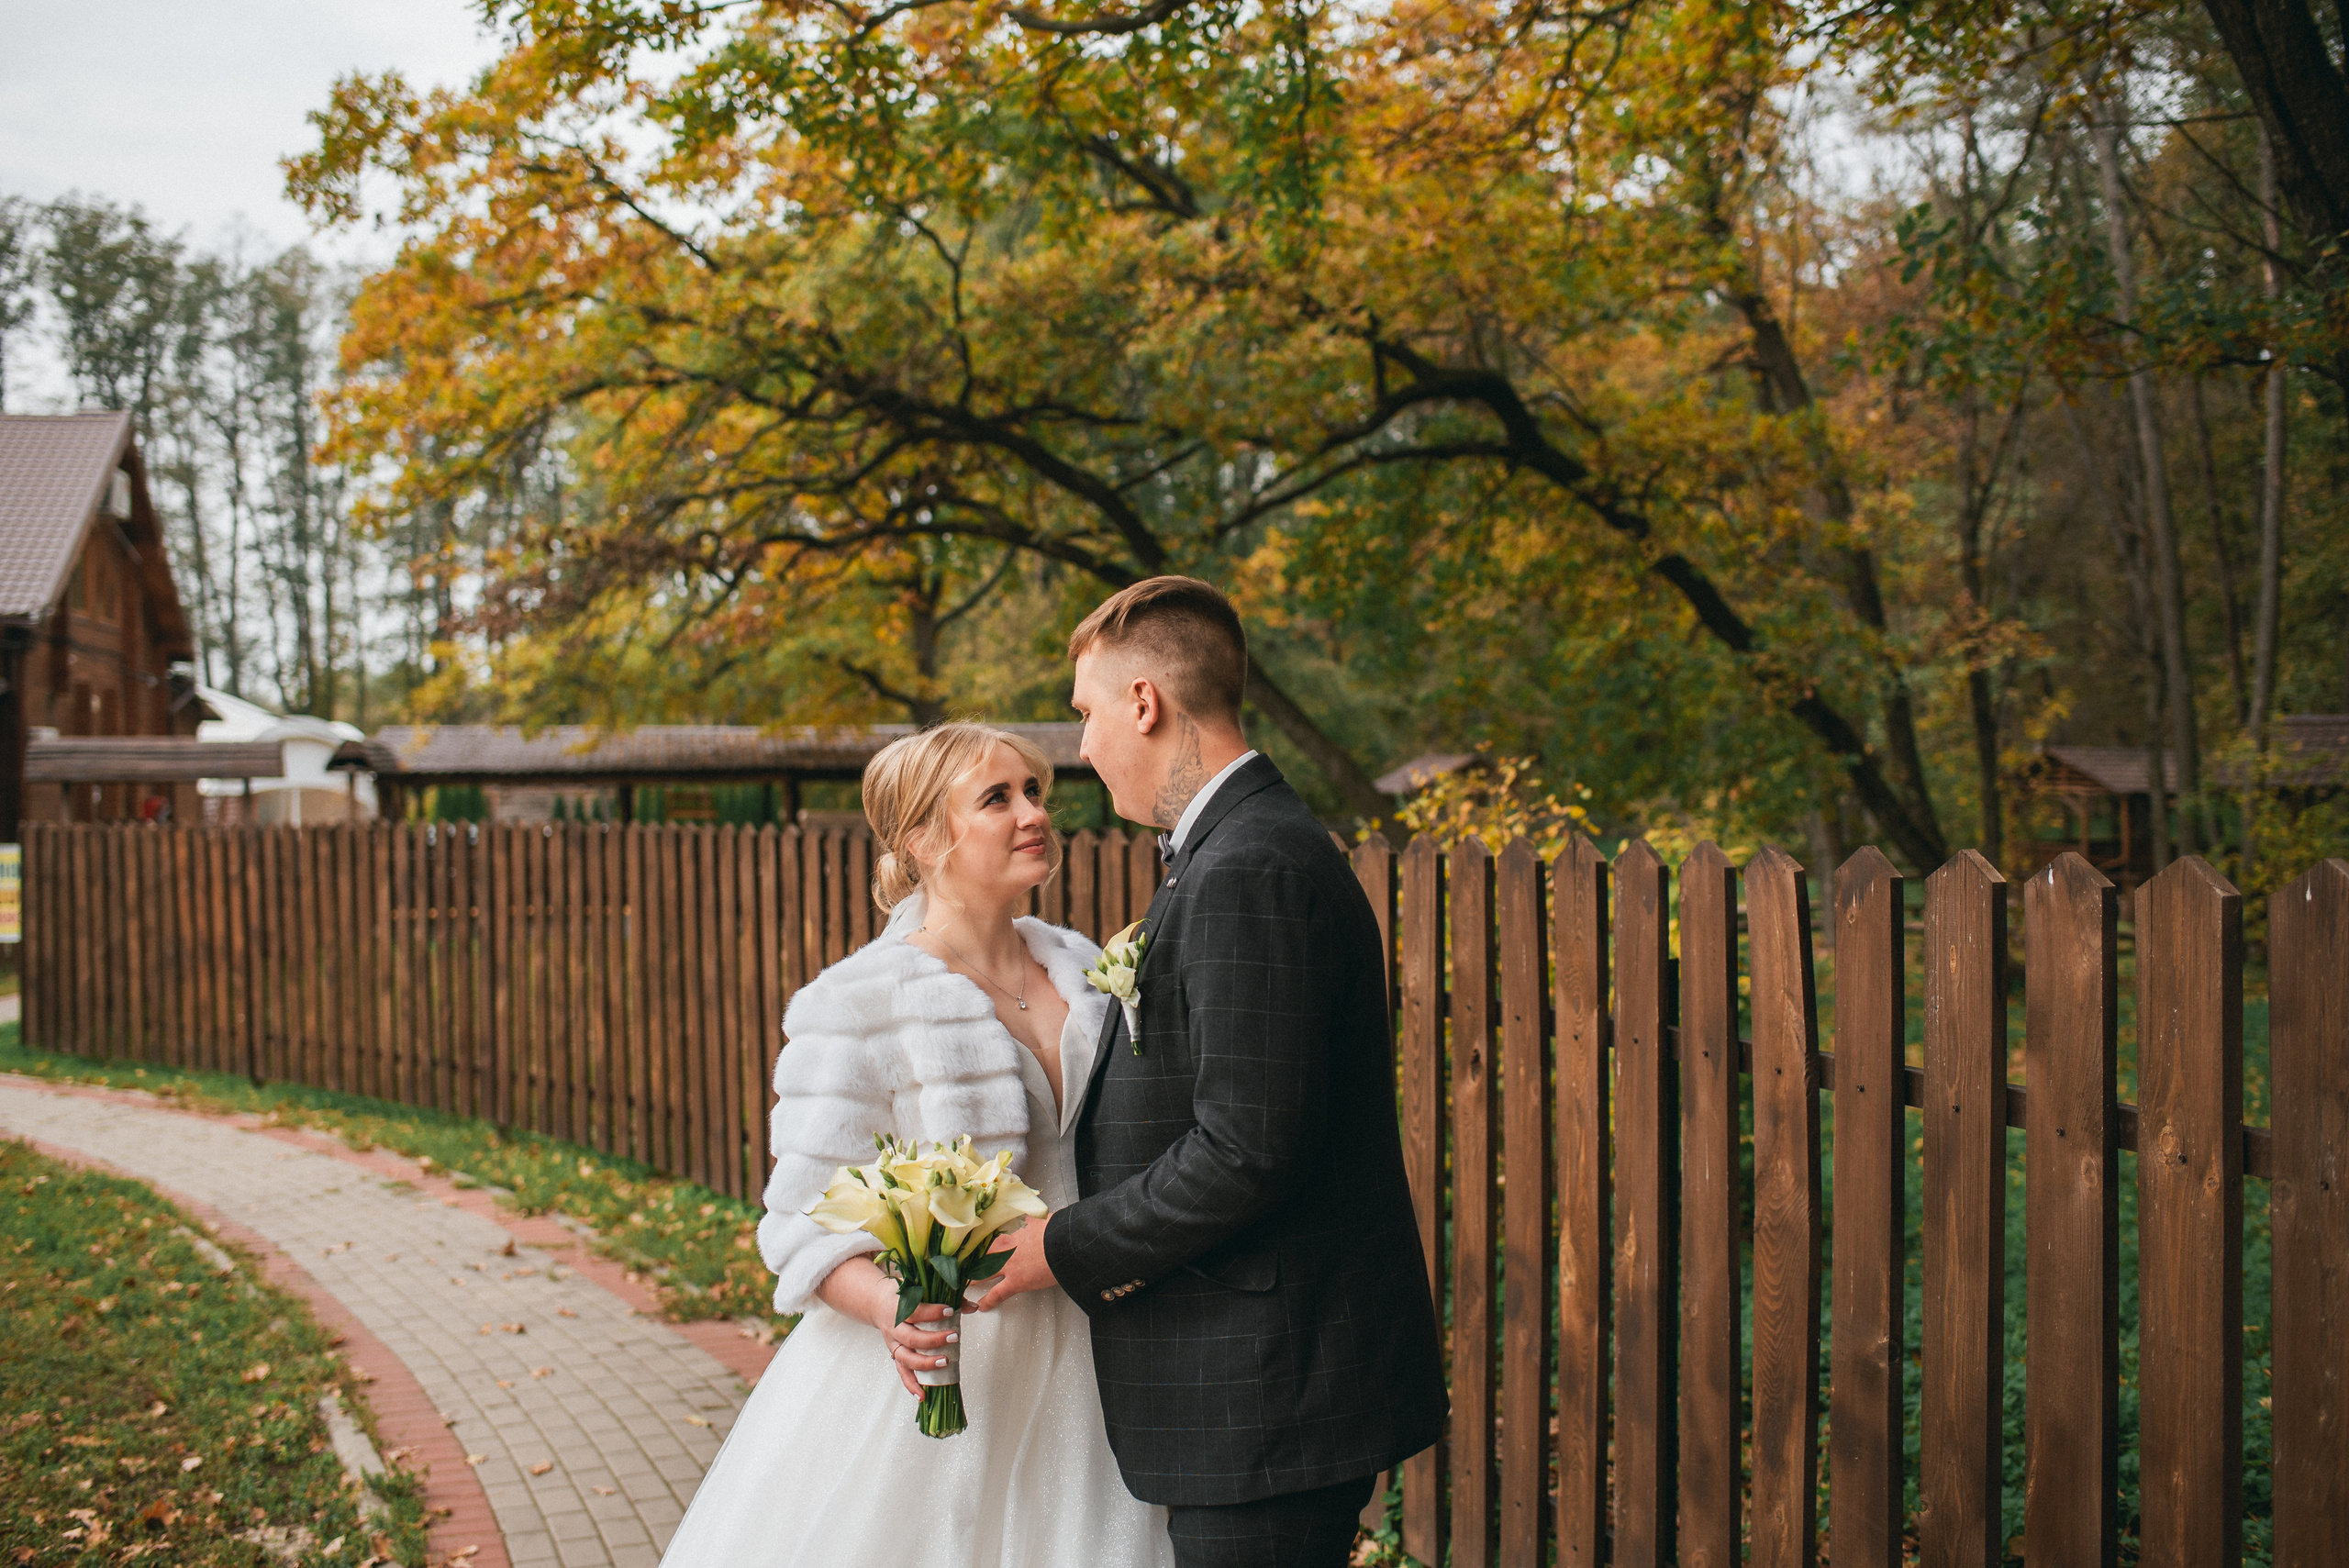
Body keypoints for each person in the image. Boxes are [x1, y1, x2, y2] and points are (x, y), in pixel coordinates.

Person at [977, 576, 1448, 1568]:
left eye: (1087, 713)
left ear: (1143, 702)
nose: (1084, 747)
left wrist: (1059, 1245)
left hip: (1269, 1393)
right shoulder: (1228, 852)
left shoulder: (1249, 868)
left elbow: (1244, 1149)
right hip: (1260, 1390)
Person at [658, 722, 1174, 1568]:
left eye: (1035, 791)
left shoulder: (1085, 969)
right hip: (952, 1362)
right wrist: (893, 1313)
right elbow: (800, 1221)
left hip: (1099, 1338)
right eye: (997, 798)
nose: (1032, 813)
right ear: (924, 839)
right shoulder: (857, 1002)